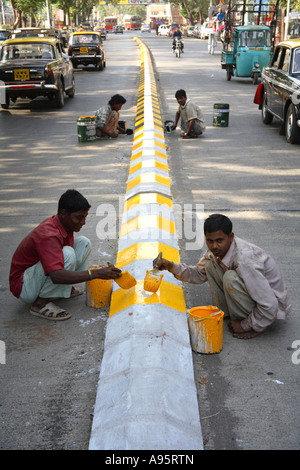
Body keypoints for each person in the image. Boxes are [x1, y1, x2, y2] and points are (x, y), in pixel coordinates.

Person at [155, 214, 292, 340]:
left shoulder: (245, 259)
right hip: (260, 301)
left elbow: (270, 305)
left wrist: (245, 325)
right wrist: (170, 266)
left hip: (270, 309)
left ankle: (255, 322)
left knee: (230, 277)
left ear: (231, 237)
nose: (214, 246)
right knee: (209, 264)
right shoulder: (216, 251)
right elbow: (197, 273)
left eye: (219, 240)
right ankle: (226, 314)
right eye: (210, 241)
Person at [9, 189, 121, 321]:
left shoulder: (65, 225)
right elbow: (56, 275)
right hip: (24, 285)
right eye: (79, 217)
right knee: (67, 253)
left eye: (84, 217)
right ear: (63, 214)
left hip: (37, 275)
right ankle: (40, 303)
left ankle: (63, 289)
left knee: (84, 243)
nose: (83, 222)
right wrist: (95, 274)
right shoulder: (49, 235)